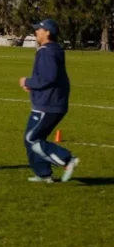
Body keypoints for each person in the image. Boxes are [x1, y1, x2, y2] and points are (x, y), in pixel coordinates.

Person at [19, 19, 79, 183]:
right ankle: (43, 174)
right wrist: (33, 85)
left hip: (48, 104)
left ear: (47, 33)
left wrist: (27, 81)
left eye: (39, 29)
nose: (36, 32)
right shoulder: (53, 49)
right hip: (48, 102)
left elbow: (49, 77)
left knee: (32, 139)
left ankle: (67, 160)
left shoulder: (47, 51)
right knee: (33, 139)